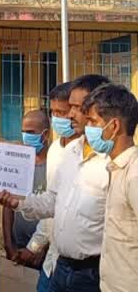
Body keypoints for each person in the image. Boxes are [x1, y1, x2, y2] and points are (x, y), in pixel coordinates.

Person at [0, 74, 111, 292]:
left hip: (93, 274)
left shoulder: (112, 162)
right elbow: (53, 202)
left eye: (77, 107)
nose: (70, 114)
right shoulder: (68, 152)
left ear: (99, 108)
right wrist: (18, 201)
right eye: (69, 107)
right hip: (59, 266)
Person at [81, 83, 138, 292]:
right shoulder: (115, 168)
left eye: (93, 122)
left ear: (113, 126)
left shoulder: (134, 174)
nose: (88, 130)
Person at [21, 82, 73, 292]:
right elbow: (52, 205)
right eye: (54, 113)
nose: (58, 119)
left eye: (64, 112)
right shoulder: (56, 152)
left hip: (83, 267)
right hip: (53, 263)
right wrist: (35, 245)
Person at [2, 110, 50, 268]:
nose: (25, 137)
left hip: (44, 252)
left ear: (45, 135)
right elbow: (8, 207)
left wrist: (40, 248)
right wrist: (8, 243)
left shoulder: (54, 166)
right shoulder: (19, 163)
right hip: (18, 248)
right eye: (23, 132)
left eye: (30, 132)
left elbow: (55, 212)